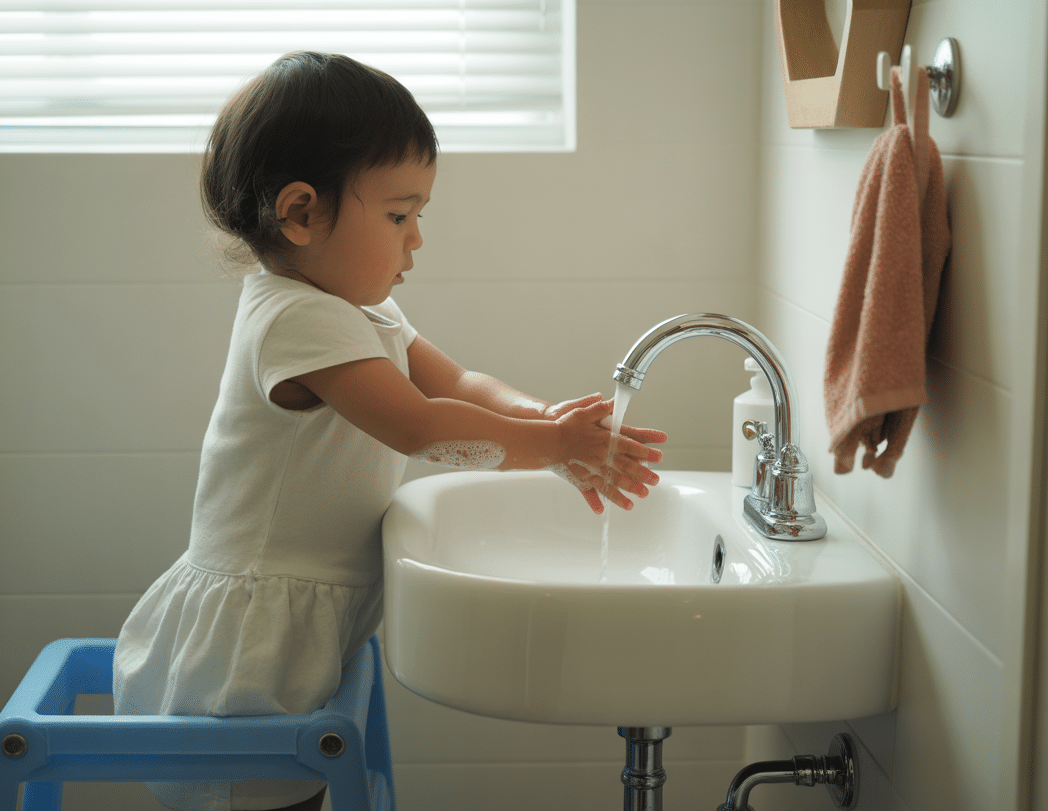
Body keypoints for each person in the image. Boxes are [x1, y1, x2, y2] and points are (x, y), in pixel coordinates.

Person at [113, 51, 667, 811]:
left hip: (298, 613)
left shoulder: (358, 311)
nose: (416, 240)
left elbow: (460, 385)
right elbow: (419, 428)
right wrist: (553, 451)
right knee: (267, 797)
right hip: (253, 633)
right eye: (399, 215)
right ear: (303, 213)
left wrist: (545, 422)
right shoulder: (293, 316)